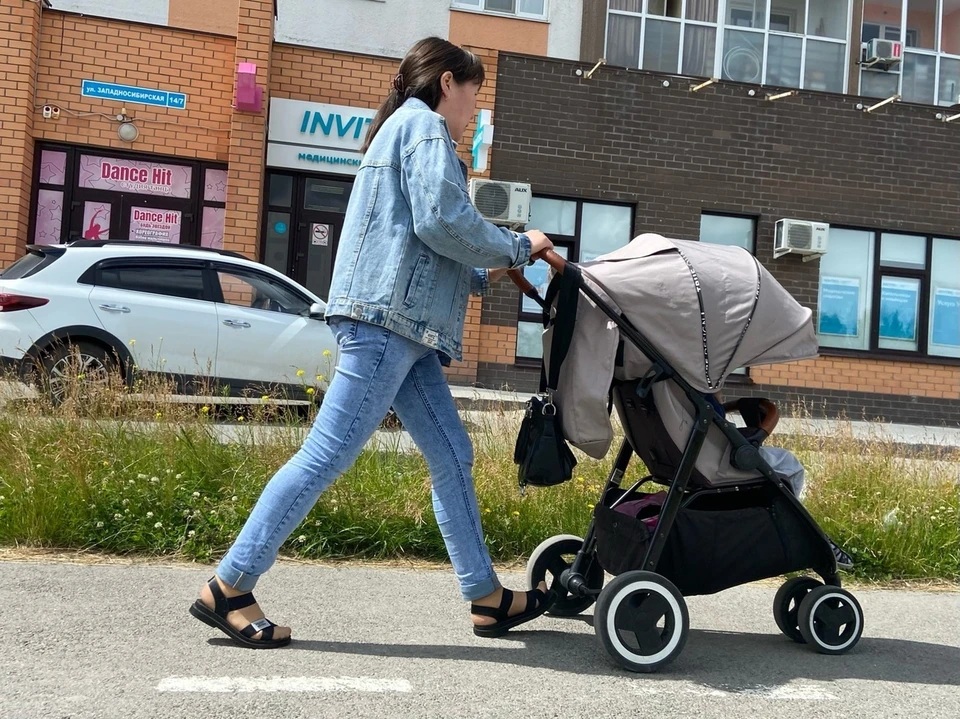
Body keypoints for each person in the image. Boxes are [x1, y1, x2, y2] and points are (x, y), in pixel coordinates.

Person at [190, 37, 557, 649]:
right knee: (325, 456)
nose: (474, 109)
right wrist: (520, 243)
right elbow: (441, 221)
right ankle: (230, 585)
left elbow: (423, 242)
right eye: (474, 93)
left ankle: (486, 597)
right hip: (388, 325)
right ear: (448, 84)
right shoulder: (425, 129)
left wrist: (490, 268)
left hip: (403, 329)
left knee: (452, 453)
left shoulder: (404, 129)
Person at [705, 393, 854, 570]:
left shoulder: (672, 389)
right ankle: (804, 531)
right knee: (788, 464)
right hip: (714, 457)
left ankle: (800, 528)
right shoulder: (699, 387)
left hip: (688, 457)